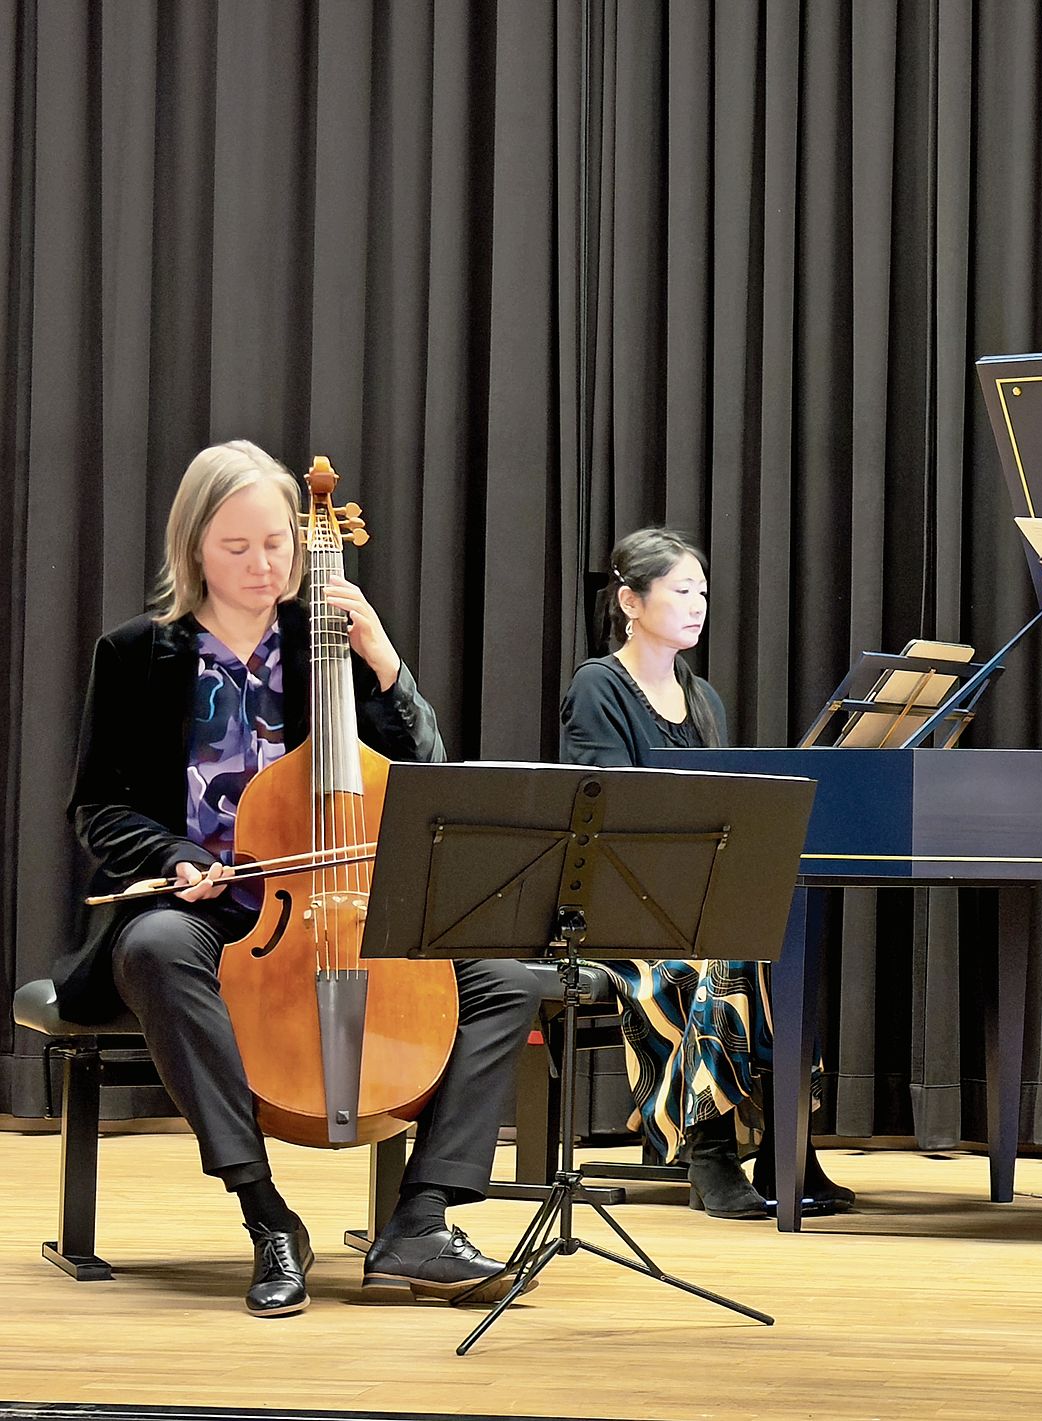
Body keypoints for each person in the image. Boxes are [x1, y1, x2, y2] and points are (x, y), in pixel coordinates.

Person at [55, 441, 542, 1317]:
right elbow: (98, 809)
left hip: (348, 897)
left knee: (504, 973)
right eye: (237, 546)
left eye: (277, 543)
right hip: (220, 905)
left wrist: (386, 662)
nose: (261, 563)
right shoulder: (137, 654)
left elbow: (421, 767)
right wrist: (176, 857)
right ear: (194, 546)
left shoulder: (329, 639)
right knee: (158, 946)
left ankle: (421, 1219)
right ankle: (268, 1216)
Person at [558, 527, 851, 1219]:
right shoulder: (598, 686)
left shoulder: (705, 698)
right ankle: (711, 1145)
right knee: (722, 955)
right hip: (620, 901)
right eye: (681, 590)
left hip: (696, 897)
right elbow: (605, 813)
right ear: (631, 600)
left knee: (779, 941)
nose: (697, 604)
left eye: (704, 592)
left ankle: (789, 1142)